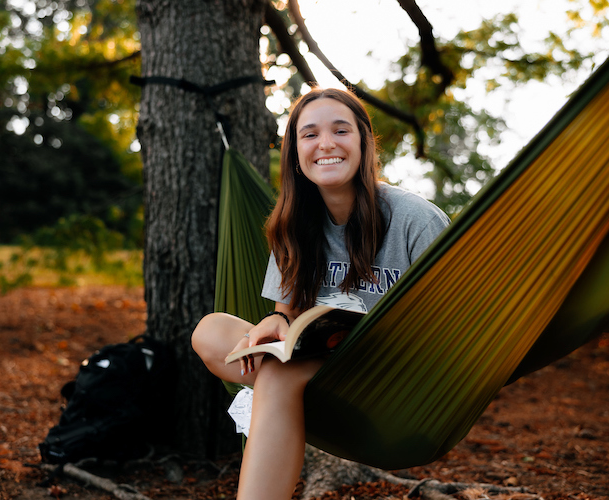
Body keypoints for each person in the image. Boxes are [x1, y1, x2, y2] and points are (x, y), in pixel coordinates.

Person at [191, 87, 450, 500]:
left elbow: (450, 328)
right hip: (321, 369)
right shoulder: (294, 225)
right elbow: (288, 317)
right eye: (309, 134)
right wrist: (276, 321)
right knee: (210, 329)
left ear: (364, 142)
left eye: (340, 130)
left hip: (394, 381)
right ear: (295, 152)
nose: (325, 144)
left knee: (276, 374)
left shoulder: (414, 219)